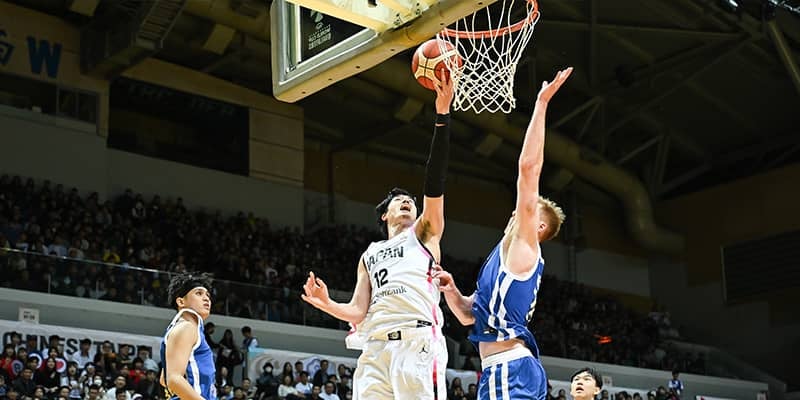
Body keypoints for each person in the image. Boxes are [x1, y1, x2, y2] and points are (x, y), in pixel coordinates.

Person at [301, 70, 455, 399]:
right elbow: (358, 311)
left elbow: (435, 181)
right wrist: (326, 303)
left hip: (416, 344)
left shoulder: (426, 234)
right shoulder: (369, 254)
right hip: (375, 349)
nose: (407, 204)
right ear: (384, 214)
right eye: (400, 202)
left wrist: (442, 116)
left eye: (411, 203)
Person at [433, 68, 573, 400]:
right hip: (508, 369)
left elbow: (528, 169)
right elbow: (469, 317)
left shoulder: (525, 243)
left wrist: (540, 104)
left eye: (528, 210)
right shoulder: (503, 256)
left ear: (539, 227)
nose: (519, 209)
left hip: (509, 370)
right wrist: (452, 291)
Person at [159, 272, 215, 400]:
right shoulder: (187, 328)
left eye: (208, 295)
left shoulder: (184, 327)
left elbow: (164, 379)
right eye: (198, 293)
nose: (206, 299)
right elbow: (173, 379)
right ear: (181, 301)